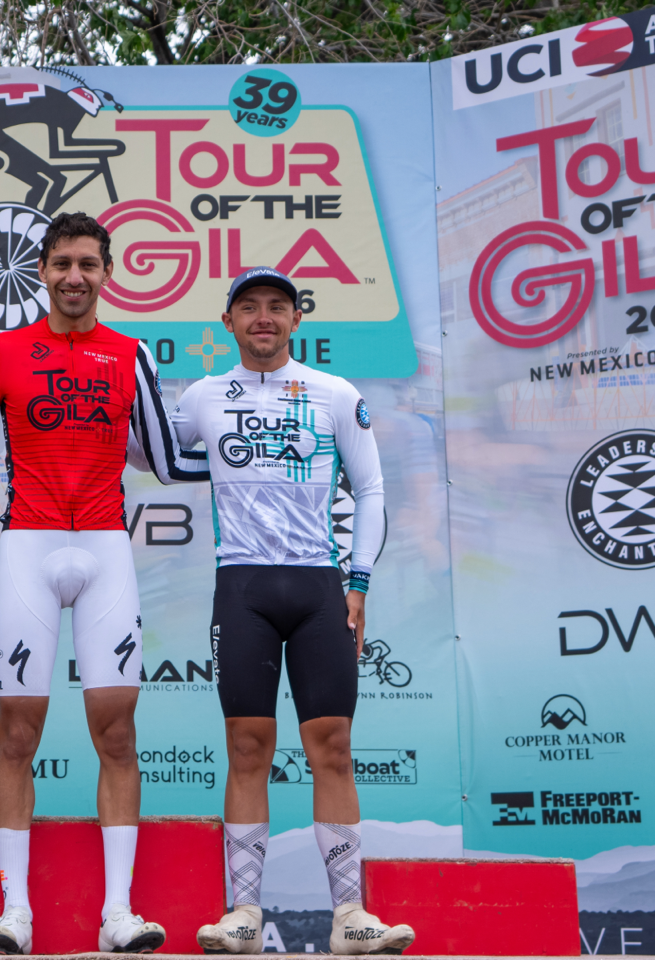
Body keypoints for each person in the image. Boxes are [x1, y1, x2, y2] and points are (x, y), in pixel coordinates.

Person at [0, 211, 206, 954]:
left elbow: (161, 456)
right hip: (28, 547)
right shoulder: (5, 352)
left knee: (117, 732)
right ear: (41, 271)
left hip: (106, 545)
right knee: (16, 733)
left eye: (89, 264)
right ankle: (15, 913)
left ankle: (118, 915)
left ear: (107, 273)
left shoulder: (130, 354)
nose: (76, 276)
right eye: (63, 263)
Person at [172, 268, 415, 955]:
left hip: (318, 587)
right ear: (228, 323)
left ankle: (351, 919)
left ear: (296, 320)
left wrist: (359, 581)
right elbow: (149, 455)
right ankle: (243, 915)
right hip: (241, 585)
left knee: (332, 748)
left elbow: (369, 489)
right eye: (249, 307)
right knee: (248, 747)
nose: (263, 318)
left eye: (276, 307)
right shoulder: (202, 396)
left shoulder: (336, 394)